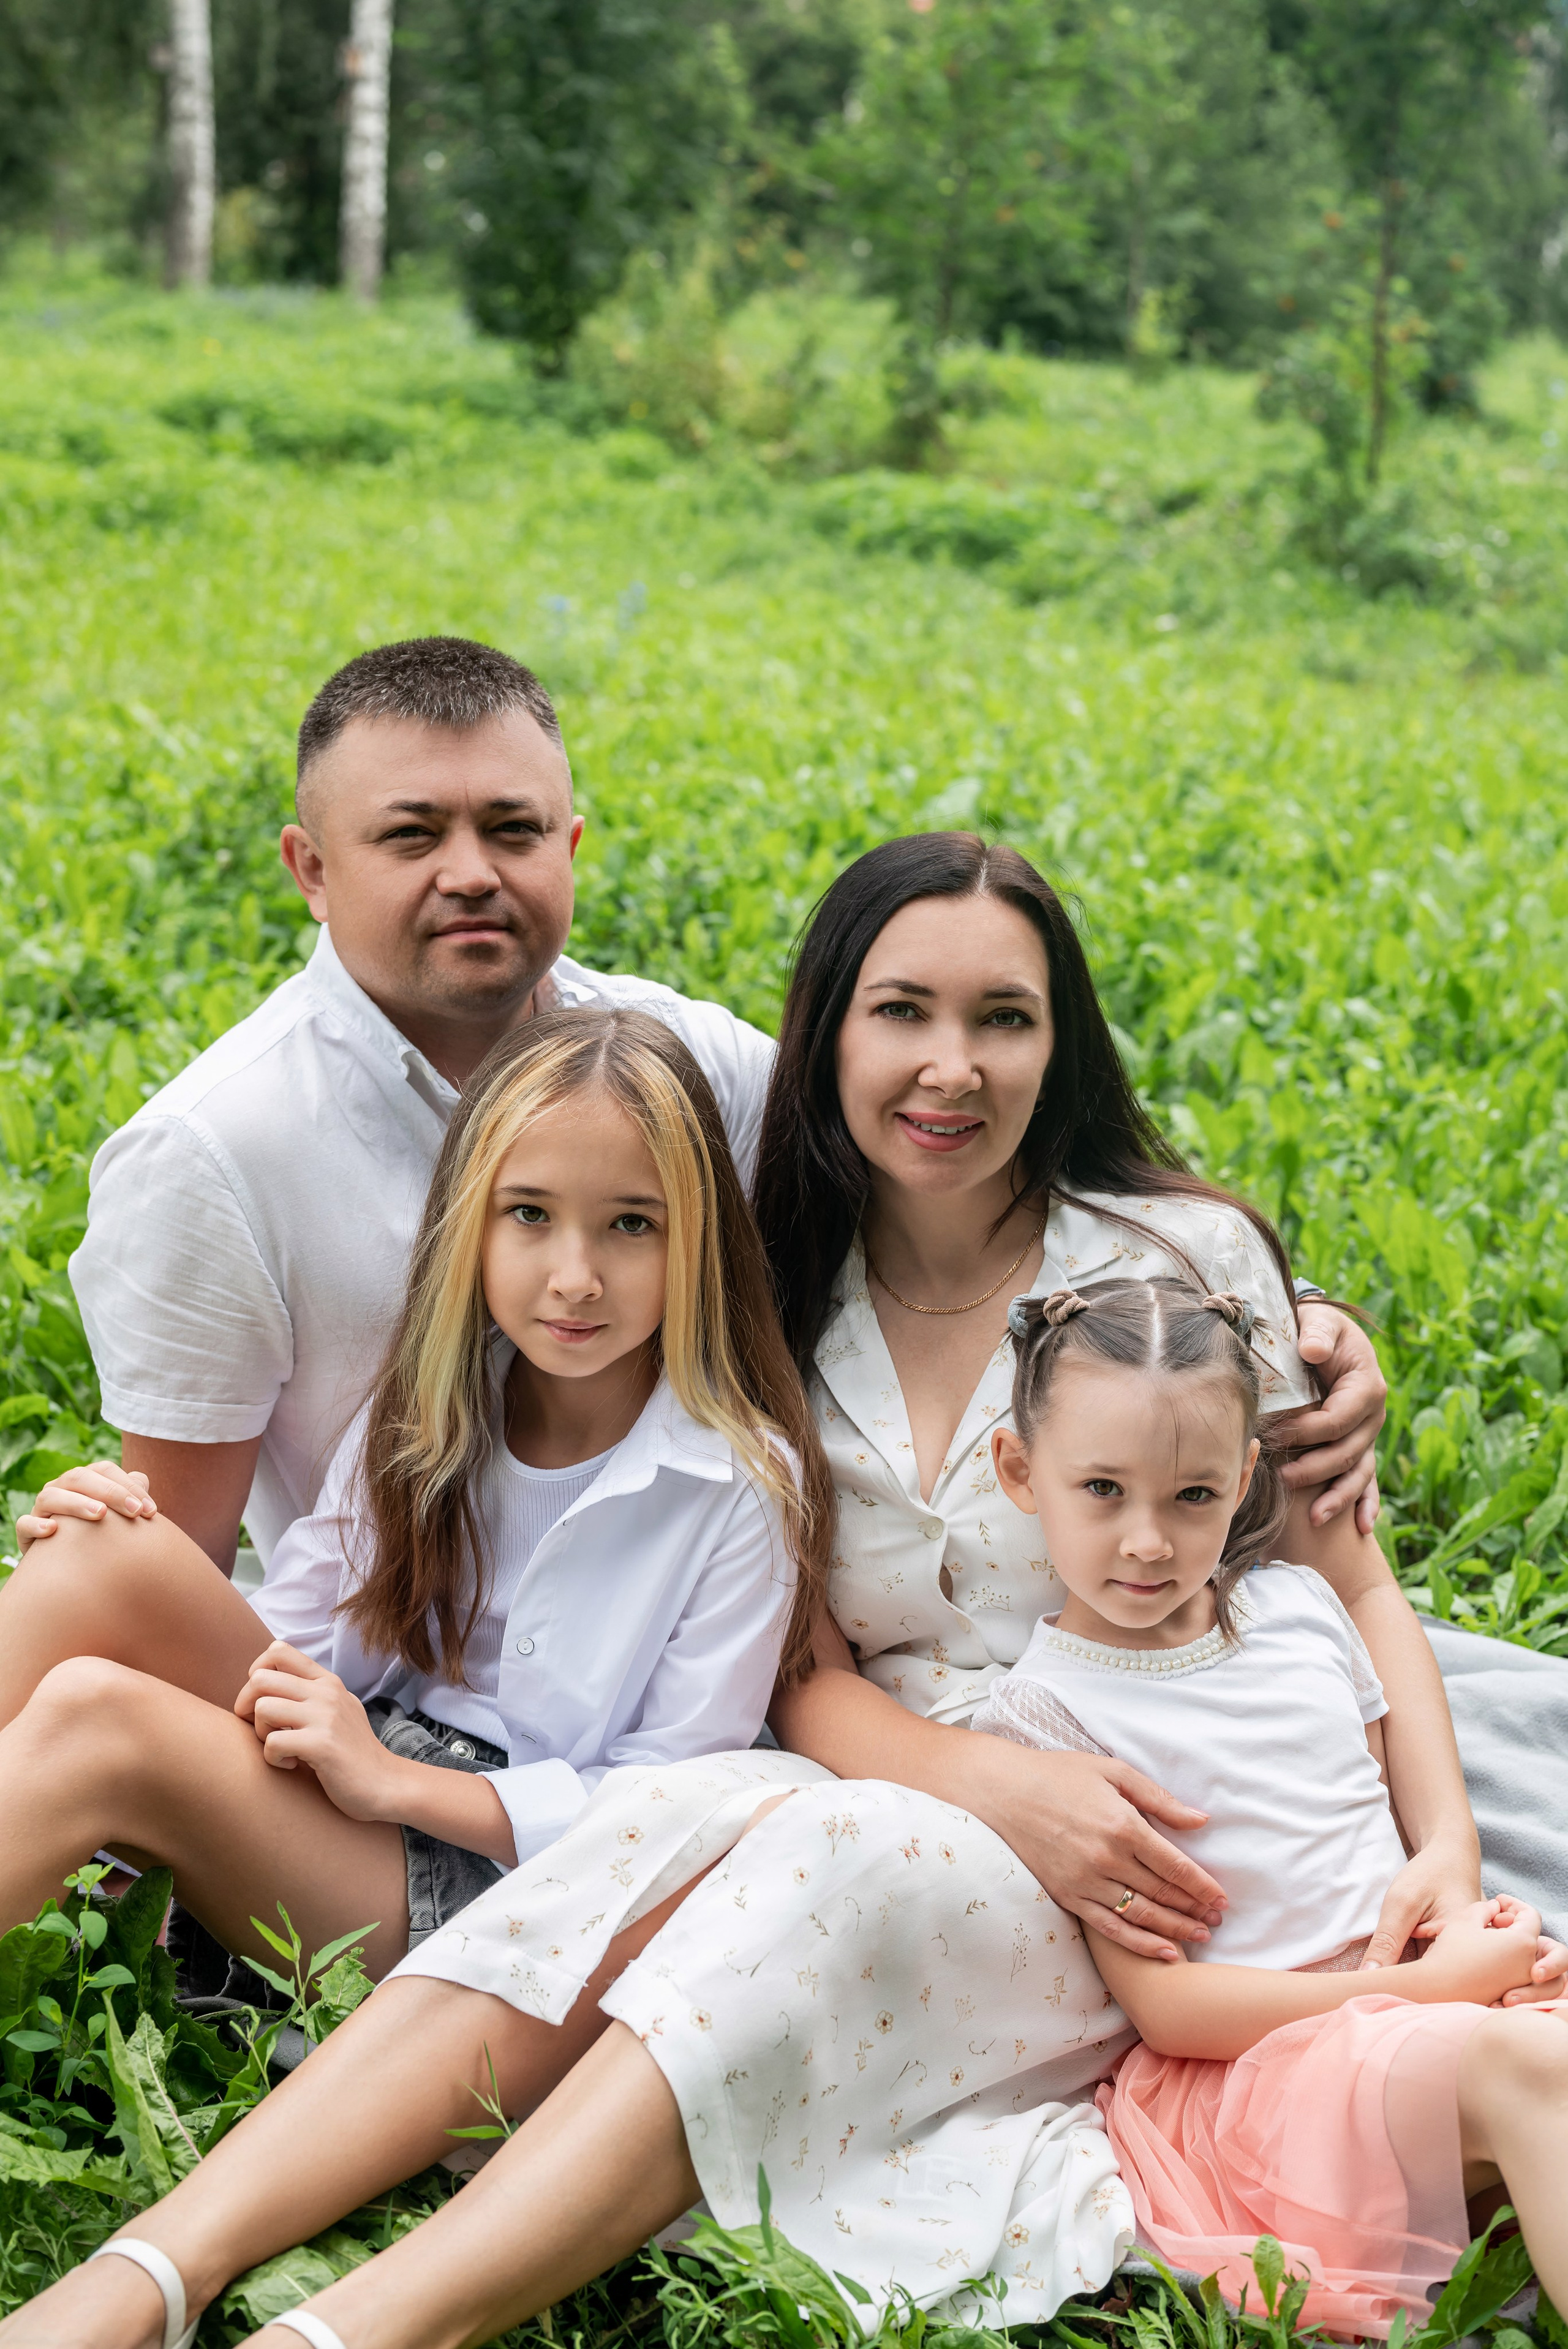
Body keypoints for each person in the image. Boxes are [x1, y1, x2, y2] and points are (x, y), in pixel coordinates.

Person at [0, 837, 1476, 2349]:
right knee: (711, 1817)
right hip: (884, 1763)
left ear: (1062, 1041)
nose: (950, 1066)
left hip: (1111, 1824)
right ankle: (153, 2273)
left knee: (802, 1840)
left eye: (1004, 1018)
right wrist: (988, 1780)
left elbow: (1350, 1586)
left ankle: (349, 2329)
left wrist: (1441, 1849)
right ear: (821, 1036)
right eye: (899, 1011)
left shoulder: (1170, 1266)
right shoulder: (776, 1270)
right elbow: (799, 1674)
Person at [0, 1009, 829, 1979]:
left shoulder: (742, 1483)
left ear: (700, 1240)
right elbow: (300, 1638)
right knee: (99, 1547)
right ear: (470, 1223)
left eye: (632, 1225)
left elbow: (667, 1811)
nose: (576, 1278)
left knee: (99, 1718)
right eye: (530, 1214)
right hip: (362, 1771)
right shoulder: (435, 1405)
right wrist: (124, 1546)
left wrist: (395, 1783)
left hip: (504, 1886)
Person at [64, 636, 775, 1575]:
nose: (471, 873)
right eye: (412, 835)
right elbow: (179, 1566)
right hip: (376, 1649)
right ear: (312, 871)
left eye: (514, 830)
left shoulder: (712, 1069)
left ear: (568, 848)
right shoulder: (211, 1158)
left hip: (703, 1623)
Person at [971, 1275, 1568, 2336]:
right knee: (1534, 2070)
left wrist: (1474, 1936)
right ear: (1020, 1470)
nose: (1148, 1541)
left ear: (1246, 1478)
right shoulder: (1048, 1717)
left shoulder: (1299, 1609)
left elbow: (1371, 1838)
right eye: (1102, 1489)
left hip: (1415, 2016)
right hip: (1269, 2080)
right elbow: (1168, 2008)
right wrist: (1436, 1990)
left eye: (1192, 1496)